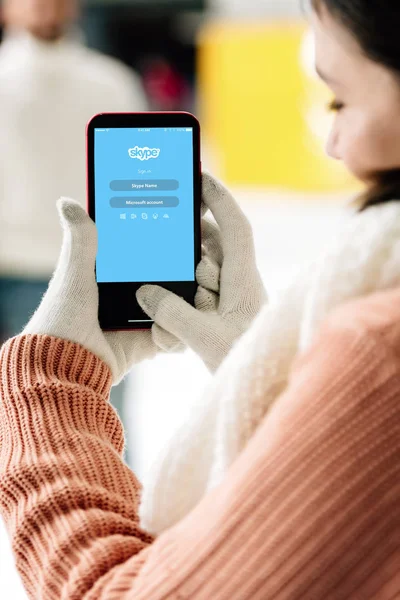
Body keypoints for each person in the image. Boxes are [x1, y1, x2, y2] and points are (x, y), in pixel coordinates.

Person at [0, 0, 399, 597]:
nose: (333, 145)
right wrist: (259, 367)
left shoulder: (379, 349)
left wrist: (46, 387)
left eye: (340, 99)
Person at [0, 0, 147, 449]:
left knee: (97, 415)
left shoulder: (112, 83)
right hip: (10, 271)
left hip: (95, 274)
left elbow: (139, 184)